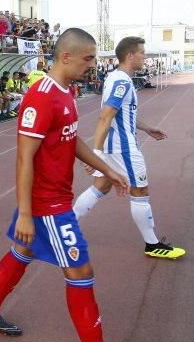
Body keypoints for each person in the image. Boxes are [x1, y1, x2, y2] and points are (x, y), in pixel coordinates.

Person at [0, 28, 148, 342]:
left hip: (51, 200)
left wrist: (108, 170)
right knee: (81, 270)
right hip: (46, 205)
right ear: (66, 57)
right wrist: (25, 212)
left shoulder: (65, 93)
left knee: (21, 252)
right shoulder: (40, 98)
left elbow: (71, 138)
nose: (92, 65)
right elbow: (24, 158)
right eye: (87, 59)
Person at [72, 36, 185, 259]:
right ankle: (152, 245)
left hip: (113, 147)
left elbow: (122, 115)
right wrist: (94, 154)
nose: (145, 57)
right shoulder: (122, 82)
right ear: (130, 55)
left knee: (101, 187)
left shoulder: (116, 78)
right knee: (140, 192)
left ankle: (65, 226)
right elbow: (105, 117)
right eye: (142, 53)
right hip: (122, 149)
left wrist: (146, 128)